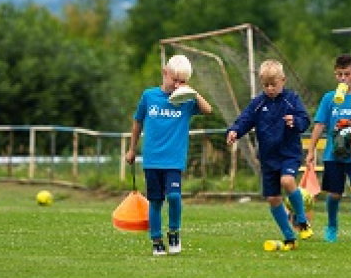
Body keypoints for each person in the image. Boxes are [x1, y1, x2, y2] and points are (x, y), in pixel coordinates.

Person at [125, 54, 212, 256]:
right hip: (152, 159)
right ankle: (156, 240)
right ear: (165, 73)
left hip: (174, 159)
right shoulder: (149, 96)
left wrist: (193, 93)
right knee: (155, 201)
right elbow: (137, 122)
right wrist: (131, 149)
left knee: (174, 196)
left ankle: (174, 232)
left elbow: (208, 110)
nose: (178, 85)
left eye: (183, 81)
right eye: (175, 80)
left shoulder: (186, 100)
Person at [226, 59, 313, 249]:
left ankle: (302, 219)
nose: (270, 88)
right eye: (266, 85)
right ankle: (289, 237)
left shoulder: (292, 99)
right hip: (268, 158)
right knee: (273, 199)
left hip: (289, 153)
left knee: (288, 181)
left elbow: (305, 119)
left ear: (283, 80)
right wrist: (234, 131)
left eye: (273, 84)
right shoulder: (258, 103)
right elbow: (244, 119)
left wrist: (295, 122)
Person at [305, 53, 351, 243]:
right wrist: (311, 151)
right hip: (332, 155)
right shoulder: (329, 99)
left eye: (346, 74)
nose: (343, 78)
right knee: (334, 194)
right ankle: (331, 228)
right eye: (339, 74)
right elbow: (319, 125)